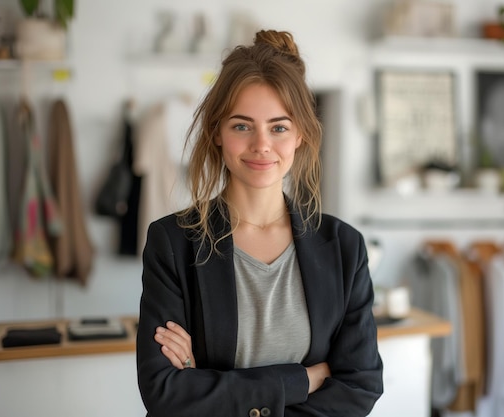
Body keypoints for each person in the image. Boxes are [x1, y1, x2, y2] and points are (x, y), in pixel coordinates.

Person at [136, 29, 384, 417]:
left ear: (300, 134)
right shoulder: (172, 242)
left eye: (279, 127)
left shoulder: (344, 247)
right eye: (241, 125)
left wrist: (212, 387)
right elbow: (165, 393)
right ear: (217, 132)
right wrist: (301, 380)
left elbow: (359, 387)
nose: (261, 144)